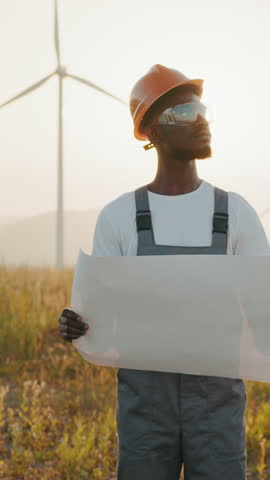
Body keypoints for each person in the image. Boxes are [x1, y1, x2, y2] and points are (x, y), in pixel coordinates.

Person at [59, 64, 270, 479]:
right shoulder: (117, 217)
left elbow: (263, 315)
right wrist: (79, 326)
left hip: (217, 411)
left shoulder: (237, 213)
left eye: (203, 110)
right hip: (145, 413)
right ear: (153, 132)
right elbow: (104, 319)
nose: (203, 121)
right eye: (187, 112)